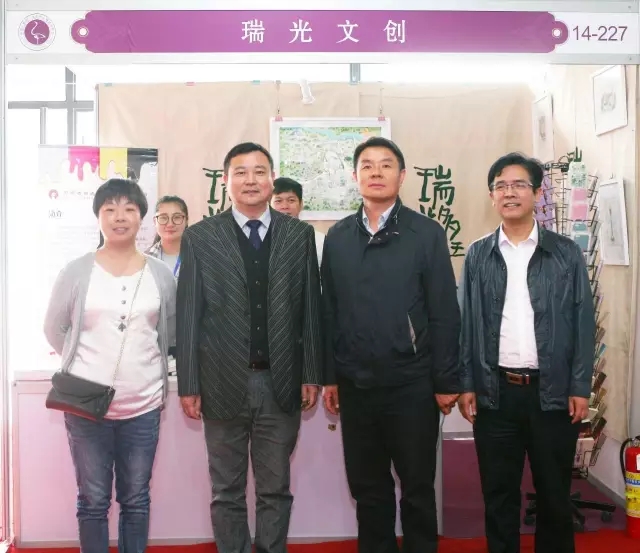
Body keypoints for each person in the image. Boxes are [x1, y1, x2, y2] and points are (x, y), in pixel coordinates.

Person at [175, 142, 323, 553]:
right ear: (226, 181)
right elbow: (188, 316)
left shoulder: (298, 235)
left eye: (259, 171)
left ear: (272, 179)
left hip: (281, 382)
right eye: (240, 172)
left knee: (275, 489)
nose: (251, 180)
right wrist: (189, 383)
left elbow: (310, 309)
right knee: (226, 491)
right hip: (220, 382)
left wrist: (312, 373)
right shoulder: (201, 237)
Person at [321, 136, 461, 553]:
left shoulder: (426, 233)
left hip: (411, 384)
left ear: (401, 176)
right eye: (367, 165)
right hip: (356, 385)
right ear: (355, 176)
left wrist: (446, 379)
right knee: (368, 487)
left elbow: (444, 311)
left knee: (417, 486)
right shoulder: (338, 237)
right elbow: (329, 311)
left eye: (386, 165)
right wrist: (330, 376)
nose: (376, 172)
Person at [457, 152, 595, 553]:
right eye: (501, 185)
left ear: (537, 193)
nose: (509, 192)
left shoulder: (566, 253)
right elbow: (466, 325)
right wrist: (467, 383)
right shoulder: (478, 254)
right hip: (496, 393)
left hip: (552, 394)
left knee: (554, 495)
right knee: (498, 495)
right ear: (491, 196)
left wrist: (579, 386)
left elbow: (582, 322)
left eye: (519, 184)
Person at [43, 178, 177, 553]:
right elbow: (54, 328)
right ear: (98, 216)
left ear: (141, 217)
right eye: (110, 209)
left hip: (143, 407)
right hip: (86, 409)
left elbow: (169, 331)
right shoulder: (76, 271)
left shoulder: (160, 275)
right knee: (93, 501)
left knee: (136, 499)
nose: (120, 217)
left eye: (129, 209)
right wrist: (83, 364)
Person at [271, 177, 325, 264]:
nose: (285, 206)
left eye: (291, 200)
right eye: (278, 201)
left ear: (301, 204)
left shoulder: (319, 241)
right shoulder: (260, 239)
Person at [146, 194, 189, 280]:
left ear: (186, 221)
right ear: (155, 221)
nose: (170, 224)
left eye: (177, 217)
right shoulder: (145, 260)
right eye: (163, 218)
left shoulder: (200, 257)